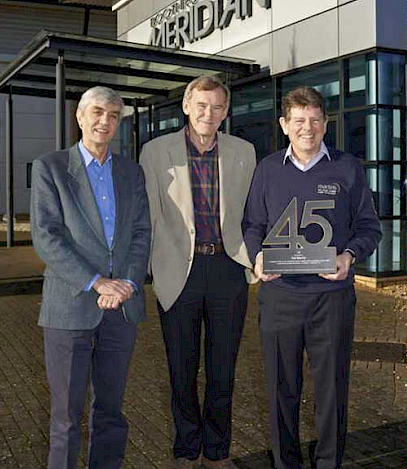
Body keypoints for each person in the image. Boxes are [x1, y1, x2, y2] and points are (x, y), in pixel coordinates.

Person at [242, 86, 382, 469]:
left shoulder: (347, 168)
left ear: (325, 124)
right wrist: (257, 258)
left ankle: (328, 464)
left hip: (331, 298)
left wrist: (348, 255)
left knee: (332, 390)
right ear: (284, 125)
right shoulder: (268, 169)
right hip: (280, 296)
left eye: (316, 120)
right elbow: (253, 224)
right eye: (299, 121)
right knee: (279, 391)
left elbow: (370, 228)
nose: (308, 128)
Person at [31, 86, 151, 469]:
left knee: (111, 411)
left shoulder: (131, 172)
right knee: (66, 417)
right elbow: (47, 238)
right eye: (97, 112)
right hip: (71, 307)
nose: (105, 121)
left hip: (121, 309)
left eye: (114, 115)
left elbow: (141, 233)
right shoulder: (50, 167)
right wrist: (97, 282)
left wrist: (129, 283)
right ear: (80, 117)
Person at [140, 75, 256, 469]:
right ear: (187, 106)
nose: (210, 113)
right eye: (202, 105)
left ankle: (217, 451)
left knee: (223, 371)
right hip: (179, 273)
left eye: (218, 106)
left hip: (227, 269)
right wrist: (151, 268)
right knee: (181, 370)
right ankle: (187, 448)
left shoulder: (244, 151)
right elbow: (149, 216)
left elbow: (253, 215)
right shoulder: (156, 152)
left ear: (226, 111)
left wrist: (256, 261)